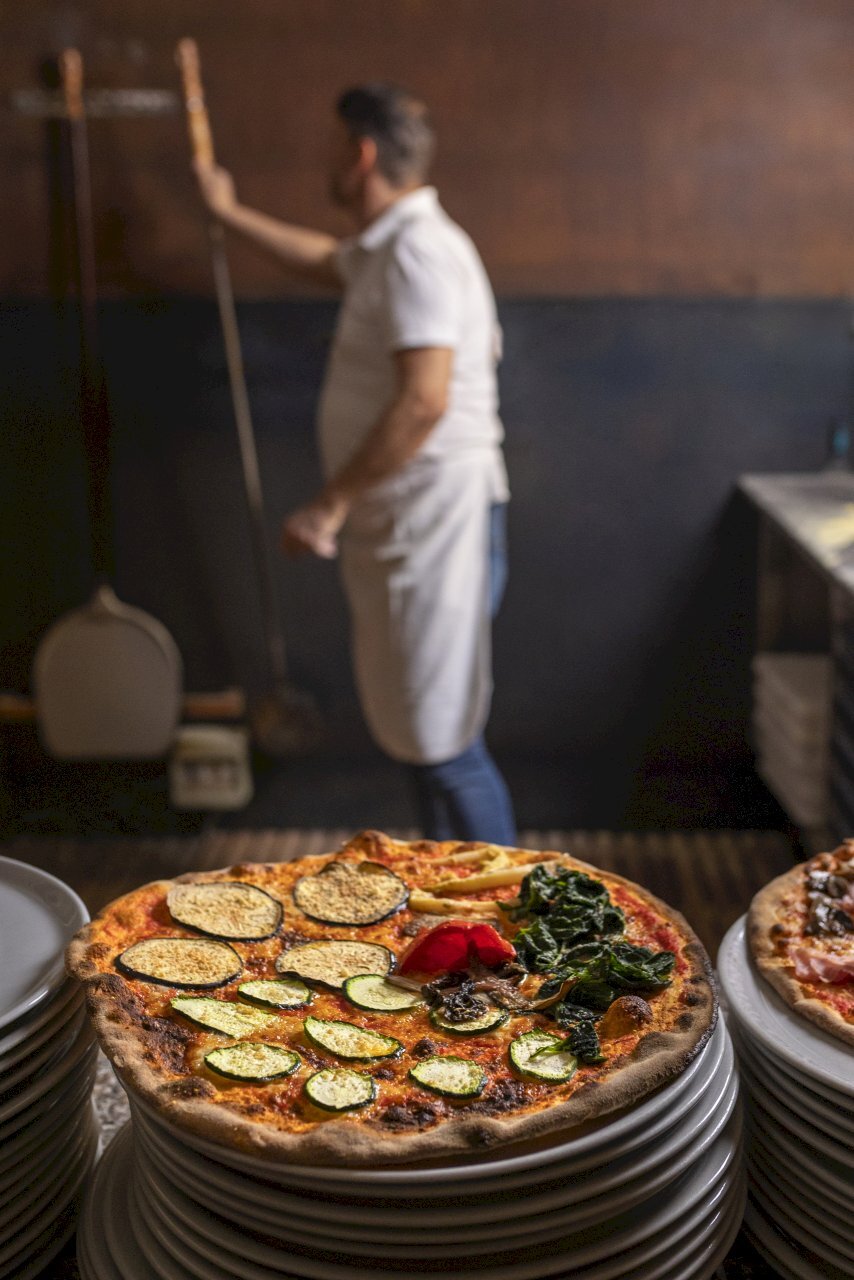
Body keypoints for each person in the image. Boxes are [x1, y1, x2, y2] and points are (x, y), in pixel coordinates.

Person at [194, 82, 516, 844]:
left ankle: (508, 915)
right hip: (410, 522)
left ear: (360, 153)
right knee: (422, 739)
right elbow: (326, 261)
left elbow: (424, 401)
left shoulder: (419, 254)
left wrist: (328, 504)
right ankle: (455, 902)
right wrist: (228, 214)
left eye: (332, 148)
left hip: (434, 521)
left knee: (444, 745)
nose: (324, 163)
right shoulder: (388, 250)